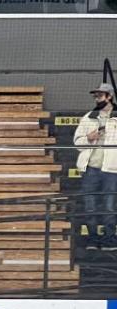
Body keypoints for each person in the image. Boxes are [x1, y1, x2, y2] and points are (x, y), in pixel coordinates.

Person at [72, 82, 117, 251]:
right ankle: (92, 239)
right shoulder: (88, 117)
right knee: (90, 206)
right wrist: (89, 138)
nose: (97, 98)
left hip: (112, 170)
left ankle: (109, 240)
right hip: (91, 168)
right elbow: (77, 143)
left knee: (109, 205)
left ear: (109, 97)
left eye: (100, 95)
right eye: (95, 96)